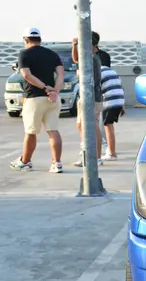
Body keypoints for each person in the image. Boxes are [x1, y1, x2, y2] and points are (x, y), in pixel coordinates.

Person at [10, 27, 64, 173]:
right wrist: (55, 91)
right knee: (53, 131)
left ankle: (25, 161)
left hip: (34, 98)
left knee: (31, 132)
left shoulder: (24, 54)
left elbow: (26, 75)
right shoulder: (52, 54)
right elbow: (60, 74)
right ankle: (57, 163)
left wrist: (45, 88)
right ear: (40, 39)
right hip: (53, 99)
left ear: (25, 40)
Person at [71, 33, 104, 167]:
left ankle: (95, 156)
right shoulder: (90, 57)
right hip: (88, 96)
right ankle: (89, 153)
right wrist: (74, 46)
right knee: (82, 125)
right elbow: (76, 60)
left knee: (90, 125)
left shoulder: (91, 58)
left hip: (91, 97)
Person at [99, 65, 125, 160]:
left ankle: (112, 153)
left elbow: (96, 89)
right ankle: (110, 151)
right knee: (109, 125)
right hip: (119, 99)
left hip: (109, 100)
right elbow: (120, 85)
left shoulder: (95, 71)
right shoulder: (110, 70)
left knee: (107, 126)